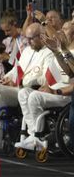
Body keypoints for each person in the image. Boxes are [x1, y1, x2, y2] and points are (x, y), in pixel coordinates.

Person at [0, 23, 54, 148]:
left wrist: (20, 81)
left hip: (30, 90)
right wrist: (7, 78)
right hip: (16, 88)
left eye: (32, 38)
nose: (29, 41)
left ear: (42, 36)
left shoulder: (49, 52)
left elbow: (46, 77)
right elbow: (16, 69)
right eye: (27, 38)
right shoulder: (27, 50)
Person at [15, 21, 74, 151]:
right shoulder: (62, 51)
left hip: (67, 93)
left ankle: (39, 136)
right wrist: (57, 52)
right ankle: (32, 135)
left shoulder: (69, 51)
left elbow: (70, 78)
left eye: (66, 29)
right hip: (56, 88)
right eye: (62, 28)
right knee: (24, 93)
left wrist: (56, 91)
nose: (61, 31)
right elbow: (64, 71)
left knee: (34, 96)